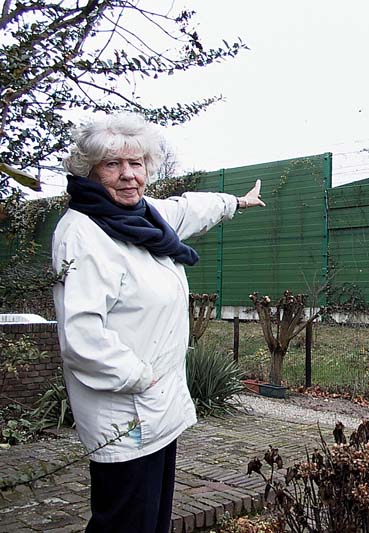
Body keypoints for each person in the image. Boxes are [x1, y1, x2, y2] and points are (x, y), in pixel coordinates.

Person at [51, 113, 265, 533]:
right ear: (91, 172)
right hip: (124, 412)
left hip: (157, 408)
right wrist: (140, 378)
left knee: (152, 520)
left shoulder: (144, 218)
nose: (128, 175)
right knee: (124, 522)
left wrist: (236, 202)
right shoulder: (82, 233)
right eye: (113, 165)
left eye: (137, 164)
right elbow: (82, 336)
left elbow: (189, 208)